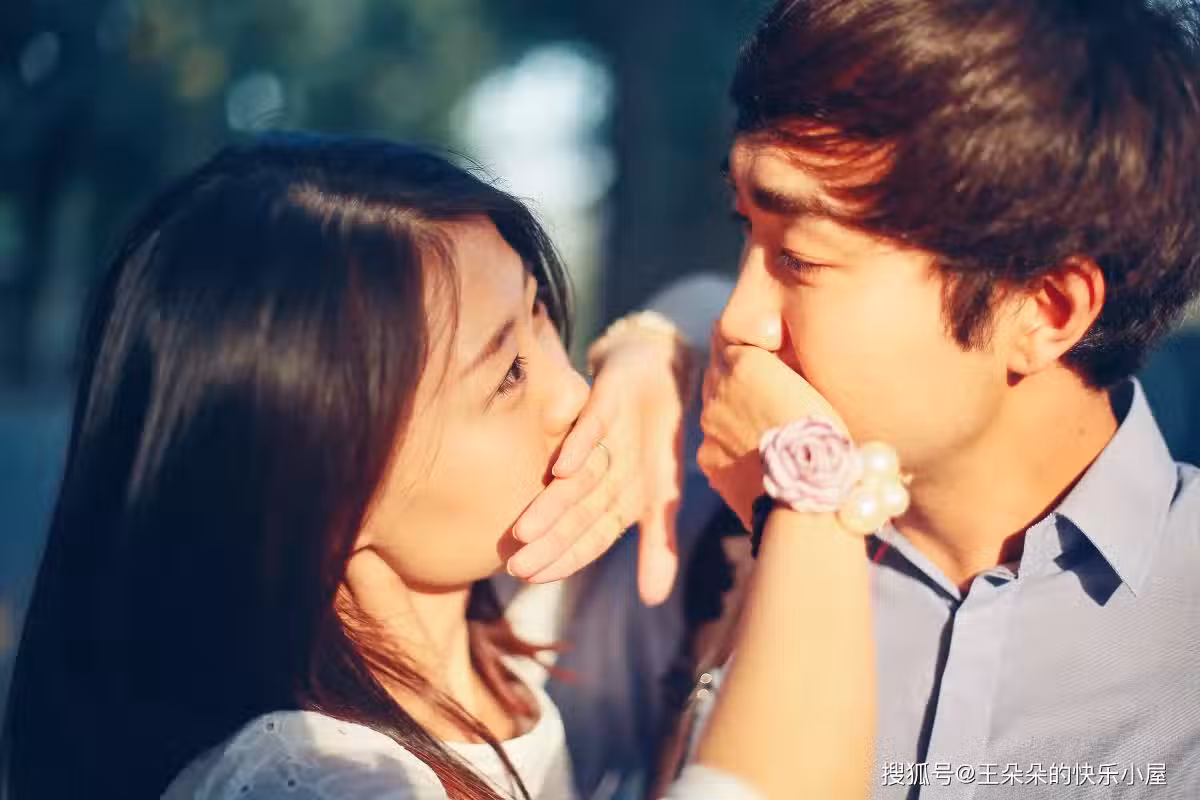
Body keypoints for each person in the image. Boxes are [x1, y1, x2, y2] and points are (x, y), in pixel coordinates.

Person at [0, 133, 877, 800]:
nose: (573, 394)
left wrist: (647, 355)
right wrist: (817, 491)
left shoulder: (497, 632)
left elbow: (701, 300)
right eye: (508, 374)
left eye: (542, 319)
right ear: (322, 488)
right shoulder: (315, 775)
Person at [564, 0, 1200, 797]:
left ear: (1044, 310)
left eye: (799, 258)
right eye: (746, 228)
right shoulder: (686, 519)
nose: (739, 320)